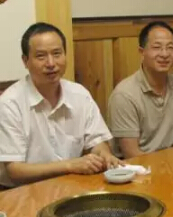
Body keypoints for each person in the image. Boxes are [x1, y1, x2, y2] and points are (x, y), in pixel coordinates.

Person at [0, 22, 119, 189]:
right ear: (25, 61)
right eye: (41, 56)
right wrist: (69, 165)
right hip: (21, 192)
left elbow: (97, 142)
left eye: (57, 54)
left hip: (71, 185)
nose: (51, 63)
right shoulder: (10, 103)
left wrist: (104, 155)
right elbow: (15, 170)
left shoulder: (79, 94)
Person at [108, 21, 173, 158]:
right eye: (157, 47)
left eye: (170, 47)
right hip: (138, 166)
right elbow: (131, 154)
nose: (164, 54)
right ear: (142, 52)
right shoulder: (124, 95)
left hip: (171, 163)